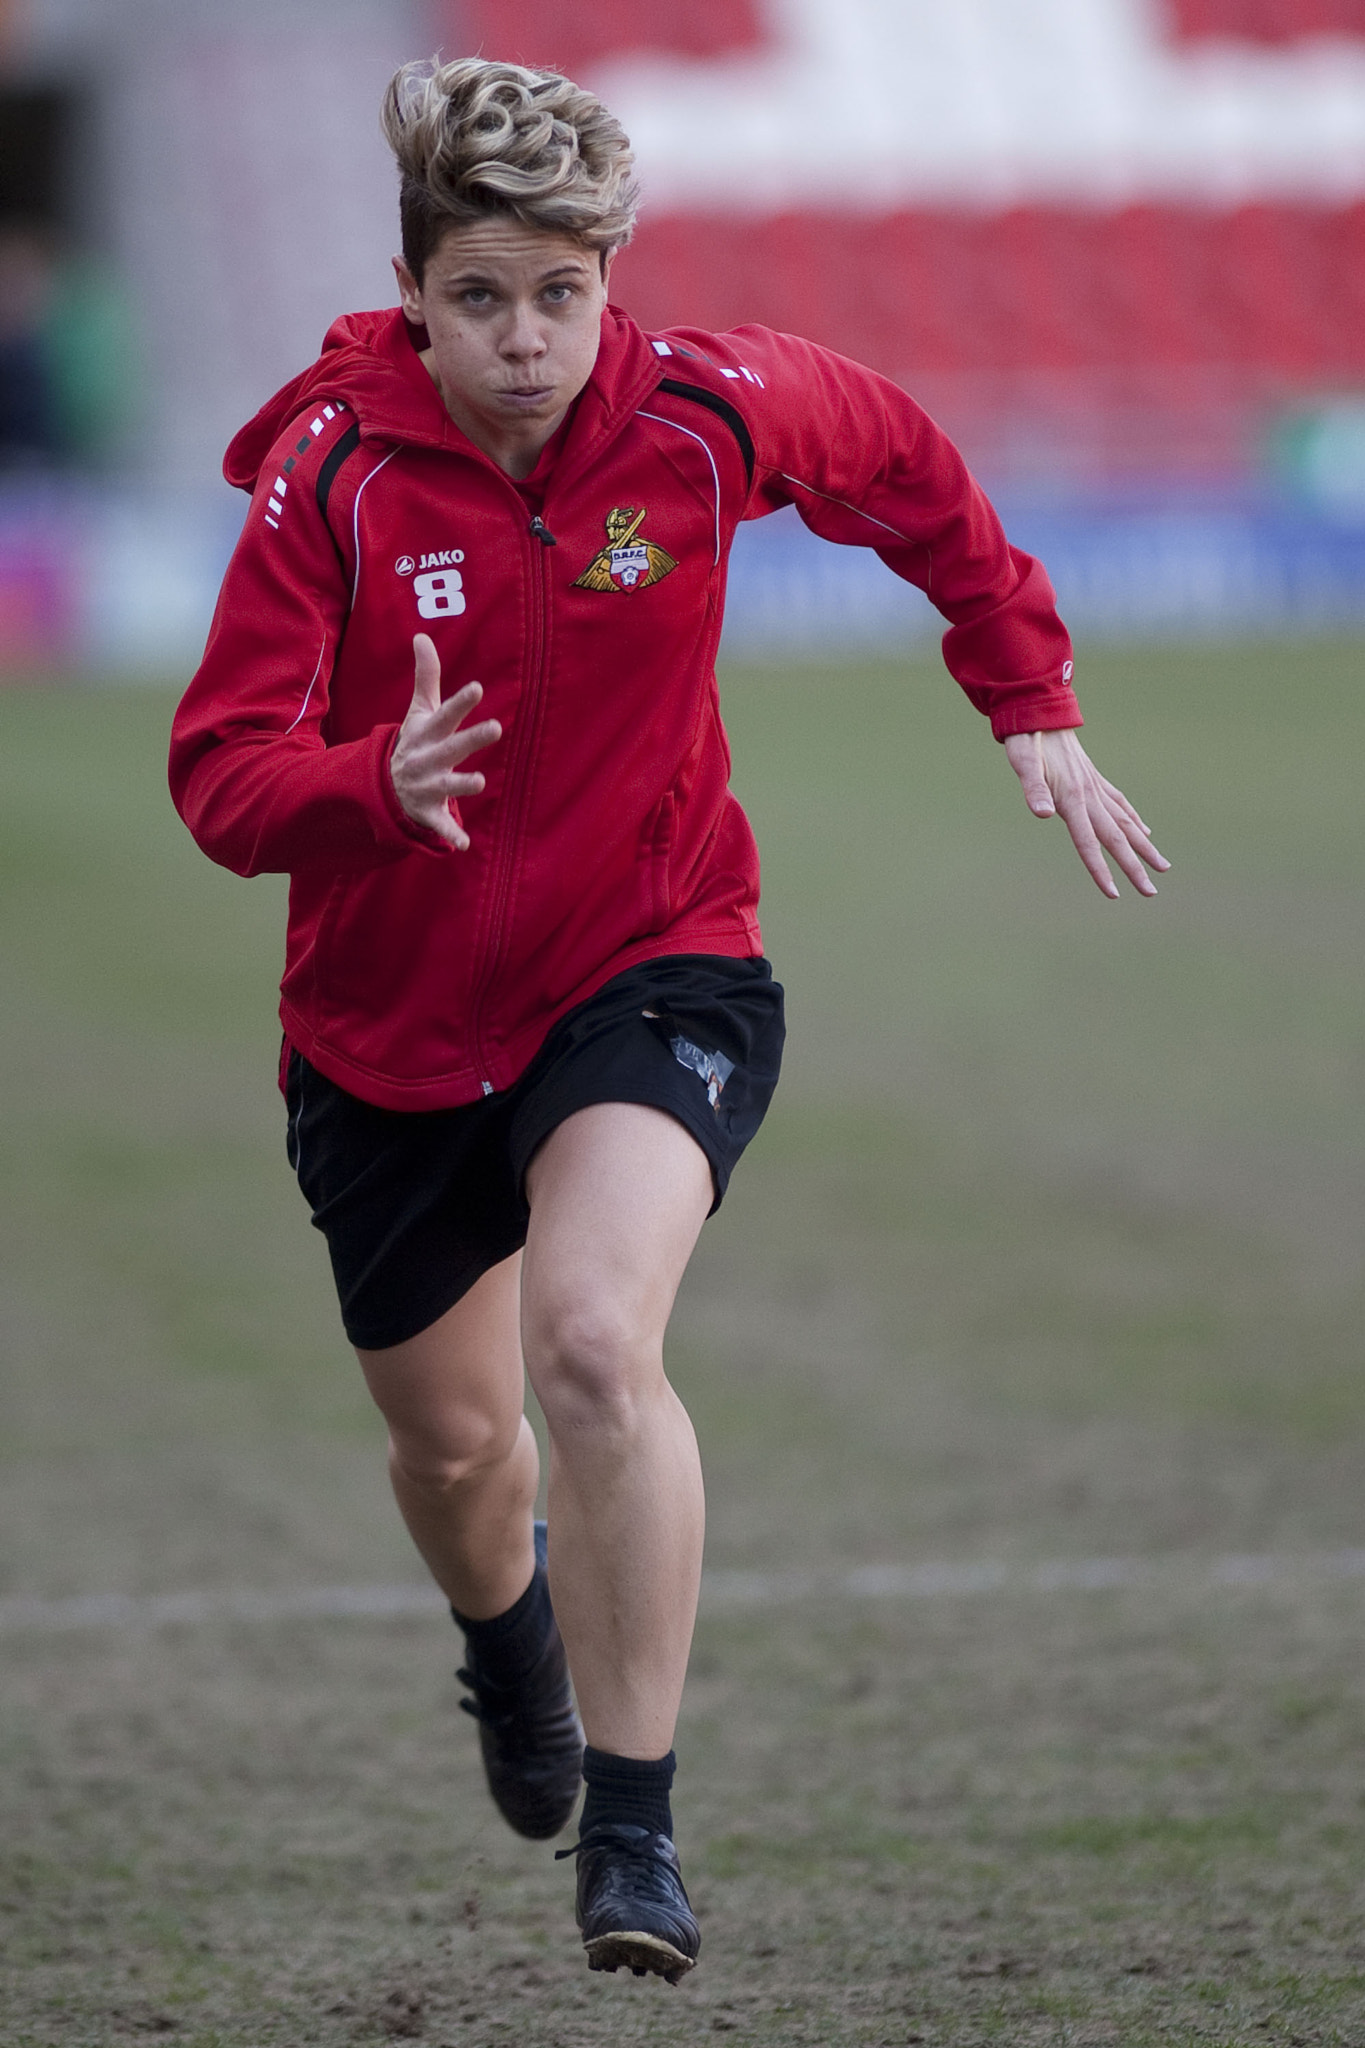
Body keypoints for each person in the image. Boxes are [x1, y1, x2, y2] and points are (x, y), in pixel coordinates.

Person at [168, 55, 1168, 1986]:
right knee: (460, 1465)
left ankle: (634, 1832)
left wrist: (1024, 693)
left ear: (612, 281)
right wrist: (372, 785)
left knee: (597, 1347)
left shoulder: (713, 413)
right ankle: (508, 1650)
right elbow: (221, 779)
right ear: (413, 293)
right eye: (480, 299)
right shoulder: (335, 475)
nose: (525, 341)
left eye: (561, 293)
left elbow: (918, 482)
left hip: (651, 959)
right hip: (379, 1039)